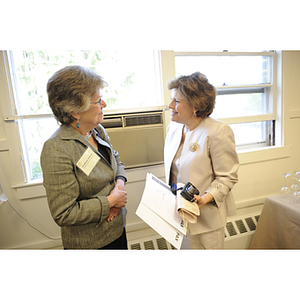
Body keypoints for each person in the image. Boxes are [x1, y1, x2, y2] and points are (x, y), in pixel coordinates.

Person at [41, 65, 128, 249]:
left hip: (117, 230)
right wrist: (111, 202)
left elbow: (116, 160)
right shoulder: (56, 148)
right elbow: (64, 213)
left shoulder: (96, 130)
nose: (104, 104)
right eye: (98, 101)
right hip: (91, 244)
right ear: (74, 111)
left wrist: (119, 186)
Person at [164, 72, 239, 249]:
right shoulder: (174, 128)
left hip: (206, 223)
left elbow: (227, 178)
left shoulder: (218, 132)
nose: (170, 105)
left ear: (195, 105)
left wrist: (204, 199)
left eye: (177, 101)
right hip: (177, 217)